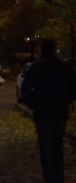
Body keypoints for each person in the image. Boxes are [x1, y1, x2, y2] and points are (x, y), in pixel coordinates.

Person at [21, 39, 76, 183]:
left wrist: (33, 104)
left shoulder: (36, 67)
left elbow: (25, 89)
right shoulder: (65, 67)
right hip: (59, 111)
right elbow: (73, 88)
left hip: (43, 112)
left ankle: (49, 177)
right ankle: (59, 176)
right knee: (58, 145)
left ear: (42, 50)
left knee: (45, 147)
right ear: (55, 49)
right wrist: (66, 101)